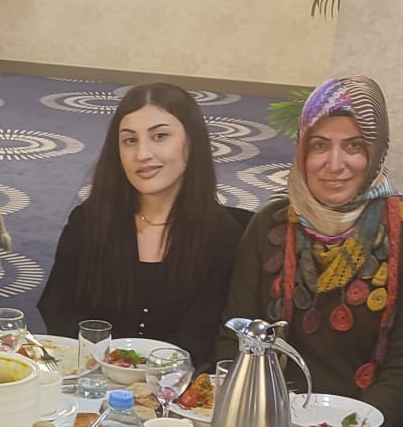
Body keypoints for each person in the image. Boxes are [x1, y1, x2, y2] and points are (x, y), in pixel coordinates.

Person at [216, 74, 403, 427]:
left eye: (353, 146)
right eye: (319, 145)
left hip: (380, 426)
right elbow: (234, 339)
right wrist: (264, 416)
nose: (334, 165)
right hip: (273, 418)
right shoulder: (271, 225)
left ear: (375, 150)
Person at [40, 83, 250, 369]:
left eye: (159, 136)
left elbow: (201, 339)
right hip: (92, 375)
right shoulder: (89, 220)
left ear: (192, 142)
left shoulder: (223, 236)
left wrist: (143, 376)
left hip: (179, 386)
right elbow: (59, 309)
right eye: (129, 140)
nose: (142, 154)